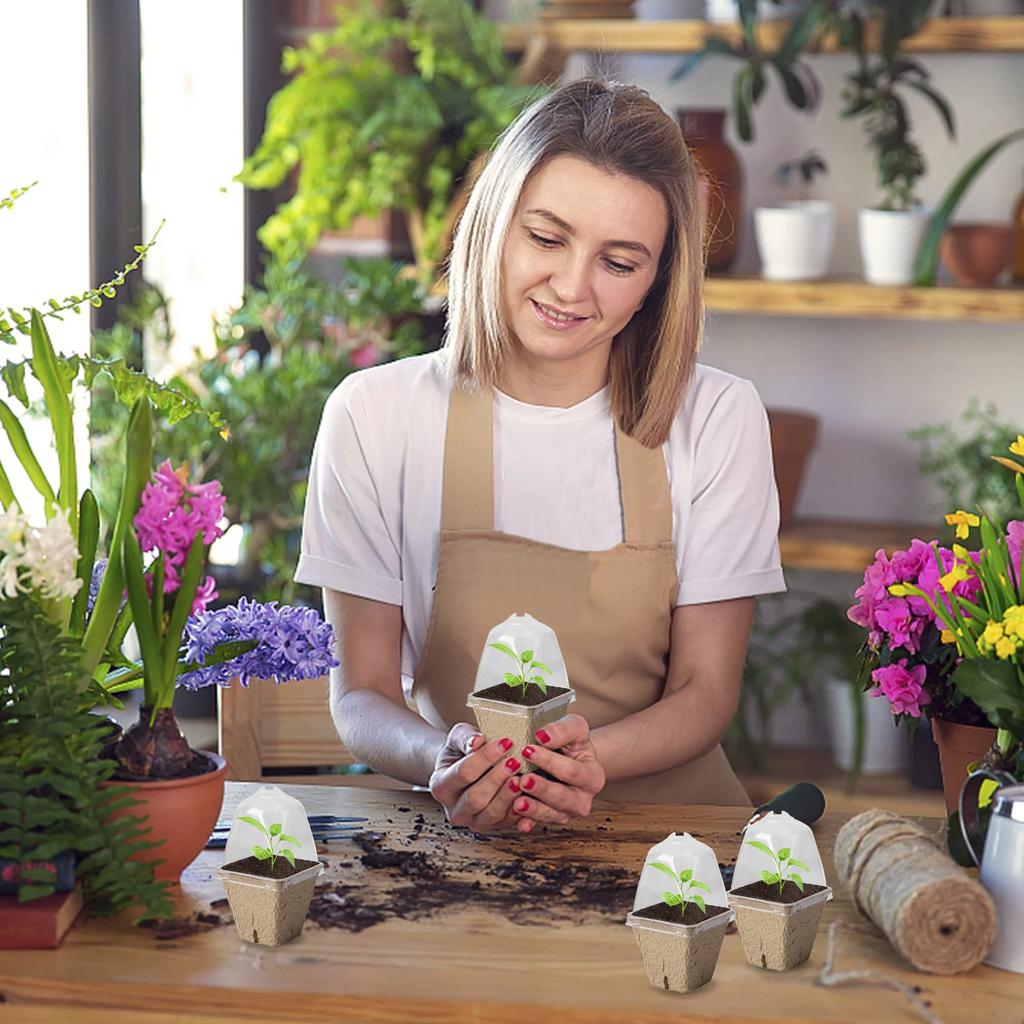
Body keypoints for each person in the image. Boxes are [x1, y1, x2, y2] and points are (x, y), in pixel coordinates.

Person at [295, 77, 786, 835]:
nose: (570, 286)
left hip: (670, 842)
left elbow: (704, 689)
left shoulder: (718, 418)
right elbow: (360, 695)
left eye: (619, 262)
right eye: (547, 238)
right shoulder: (375, 416)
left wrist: (588, 763)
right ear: (494, 223)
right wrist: (442, 758)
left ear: (658, 280)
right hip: (464, 836)